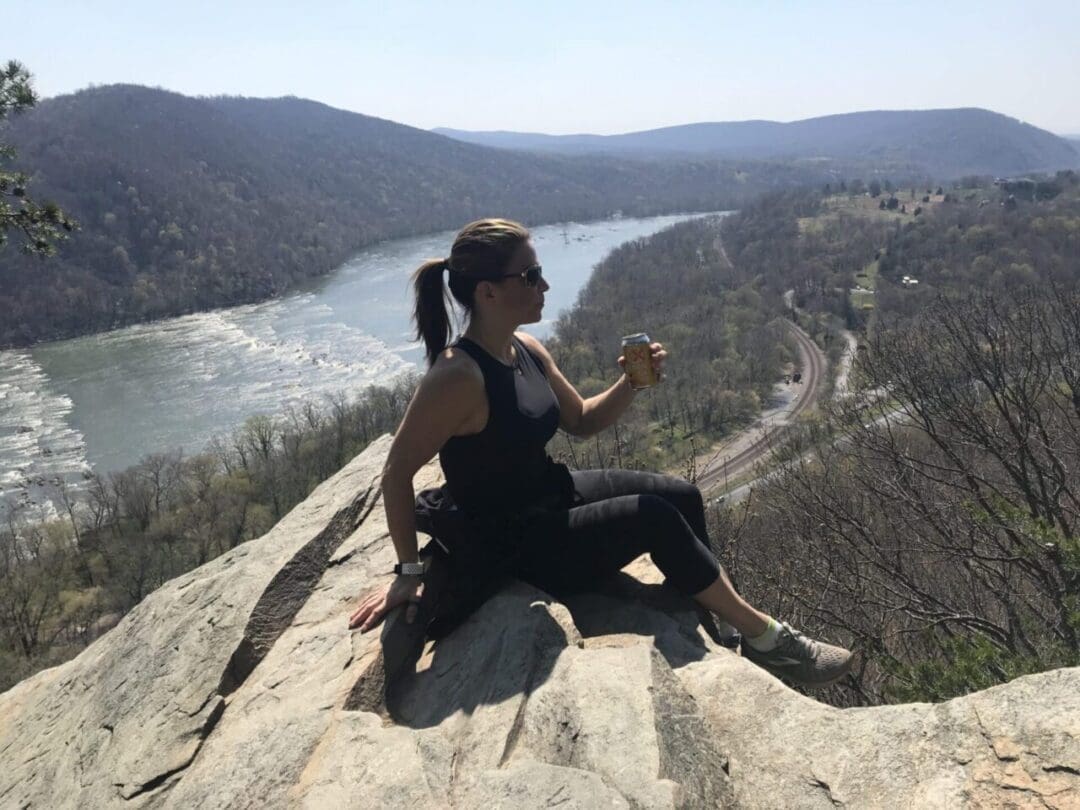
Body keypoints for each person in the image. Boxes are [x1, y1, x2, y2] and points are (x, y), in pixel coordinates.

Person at [348, 218, 853, 689]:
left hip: (551, 495)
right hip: (517, 542)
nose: (544, 286)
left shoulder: (525, 348)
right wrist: (409, 573)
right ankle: (770, 641)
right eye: (532, 275)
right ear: (488, 291)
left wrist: (631, 383)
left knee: (682, 494)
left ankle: (714, 618)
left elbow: (583, 421)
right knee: (653, 517)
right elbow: (396, 475)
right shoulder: (458, 375)